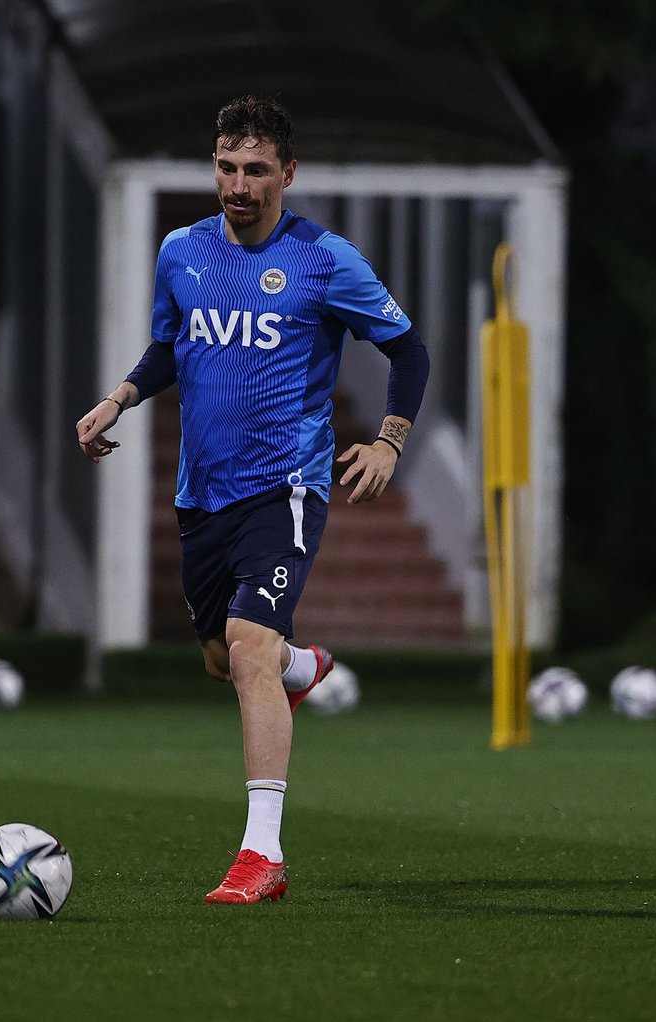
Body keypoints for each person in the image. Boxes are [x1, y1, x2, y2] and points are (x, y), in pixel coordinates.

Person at [76, 96, 429, 904]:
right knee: (224, 660)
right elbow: (171, 346)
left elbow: (409, 351)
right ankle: (303, 667)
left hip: (286, 484)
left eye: (256, 170)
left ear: (288, 173)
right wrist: (119, 397)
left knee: (245, 647)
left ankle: (261, 854)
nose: (238, 185)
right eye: (226, 167)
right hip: (203, 493)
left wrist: (389, 441)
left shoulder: (325, 260)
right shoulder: (182, 250)